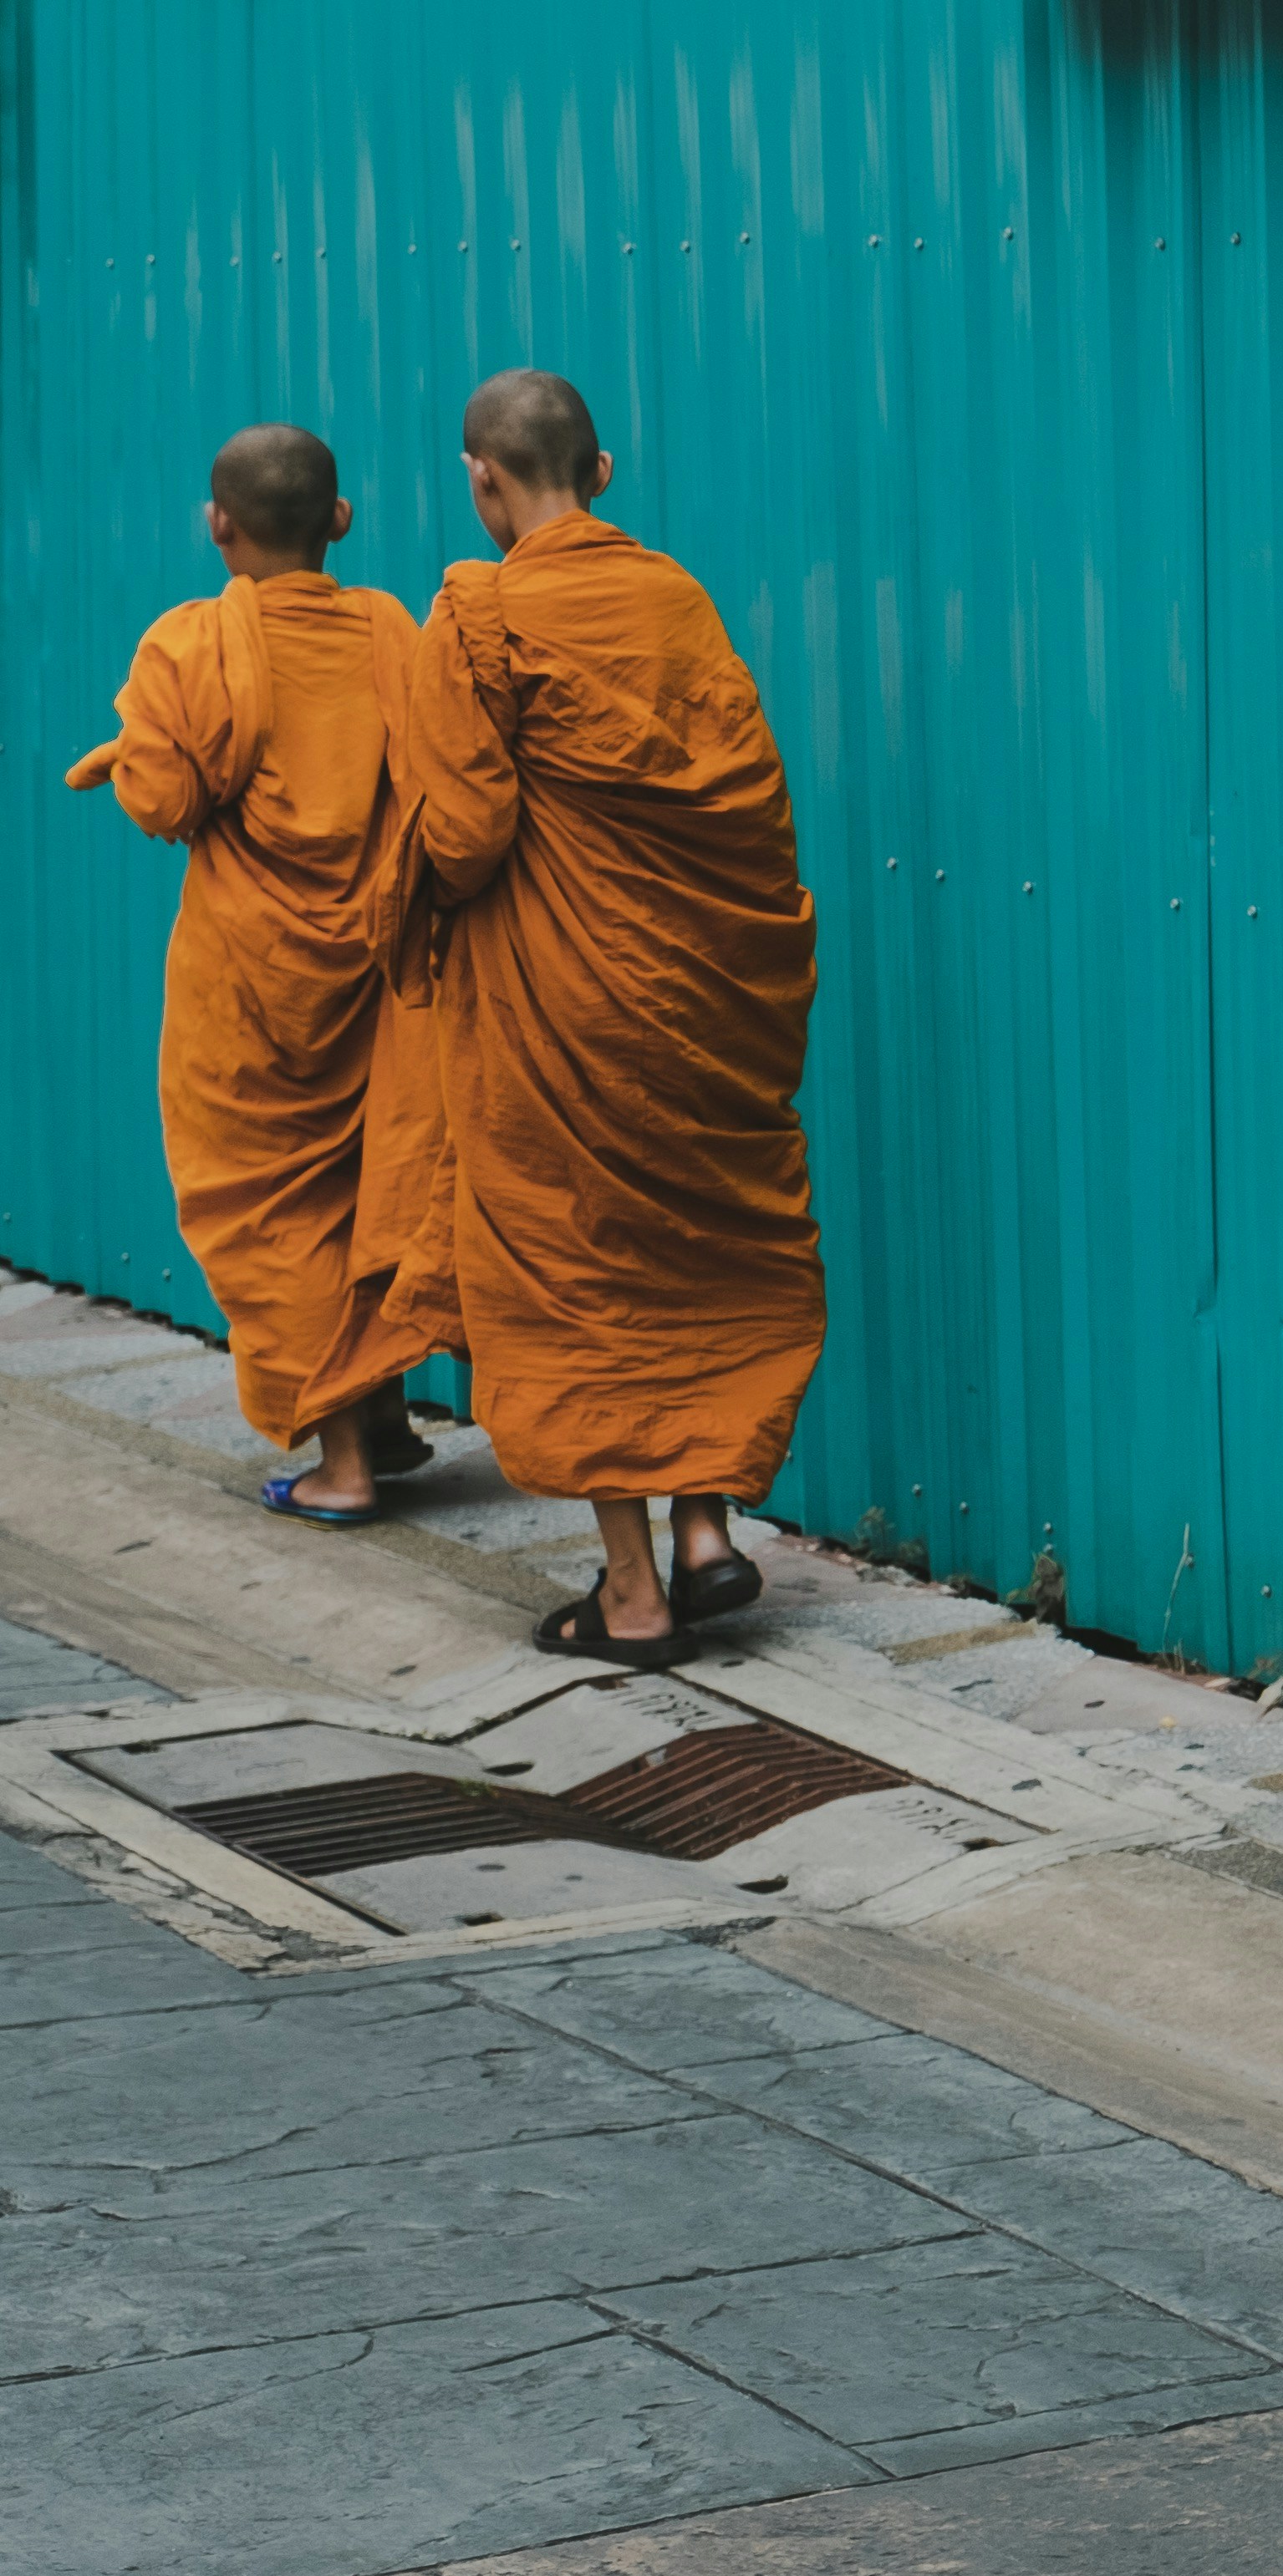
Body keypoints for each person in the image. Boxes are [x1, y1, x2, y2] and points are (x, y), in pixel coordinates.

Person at [390, 368, 823, 1668]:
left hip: (562, 1005)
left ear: (482, 479)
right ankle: (706, 1533)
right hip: (699, 992)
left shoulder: (478, 614)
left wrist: (400, 882)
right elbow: (745, 802)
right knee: (693, 1245)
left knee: (580, 1263)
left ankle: (630, 1591)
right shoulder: (678, 599)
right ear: (606, 469)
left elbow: (464, 835)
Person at [67, 425, 455, 1522]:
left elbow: (164, 803)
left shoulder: (187, 645)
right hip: (373, 968)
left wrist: (133, 743)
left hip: (250, 983)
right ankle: (381, 1415)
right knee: (357, 1183)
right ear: (339, 520)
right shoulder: (388, 627)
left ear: (218, 525)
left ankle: (341, 1461)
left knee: (270, 1205)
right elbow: (434, 770)